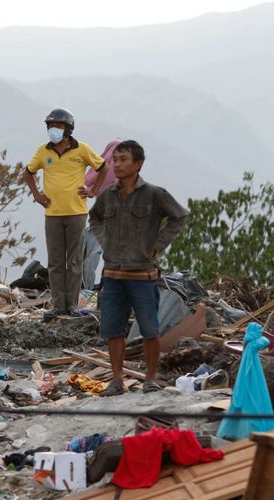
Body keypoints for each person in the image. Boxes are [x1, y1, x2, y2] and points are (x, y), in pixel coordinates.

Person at [89, 140, 188, 396]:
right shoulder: (107, 195)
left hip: (143, 276)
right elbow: (95, 218)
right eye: (115, 160)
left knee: (149, 329)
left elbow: (179, 216)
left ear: (138, 164)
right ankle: (117, 380)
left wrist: (157, 245)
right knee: (113, 330)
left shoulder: (155, 194)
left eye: (124, 160)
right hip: (112, 276)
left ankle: (150, 379)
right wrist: (105, 241)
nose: (118, 165)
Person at [24, 108, 108, 319]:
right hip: (52, 213)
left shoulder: (82, 150)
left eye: (58, 126)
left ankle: (71, 305)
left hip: (76, 212)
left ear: (68, 129)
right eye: (51, 126)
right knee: (55, 261)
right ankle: (57, 305)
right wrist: (36, 194)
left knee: (74, 261)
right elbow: (28, 172)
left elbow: (103, 168)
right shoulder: (44, 151)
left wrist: (93, 190)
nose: (54, 130)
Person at [82, 138, 121, 290]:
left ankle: (87, 290)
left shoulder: (103, 168)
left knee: (91, 255)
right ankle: (106, 288)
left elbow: (88, 181)